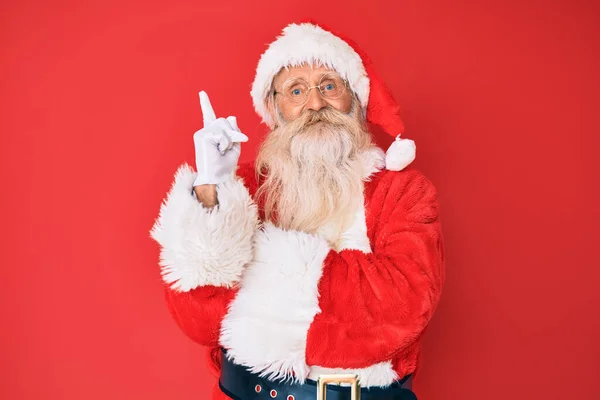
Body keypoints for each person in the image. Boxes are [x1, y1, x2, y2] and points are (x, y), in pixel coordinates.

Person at [151, 22, 445, 400]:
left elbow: (402, 308)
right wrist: (211, 190)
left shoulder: (403, 192)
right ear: (275, 109)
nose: (315, 104)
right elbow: (199, 320)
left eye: (328, 85)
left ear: (354, 100)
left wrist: (258, 265)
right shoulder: (243, 190)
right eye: (296, 90)